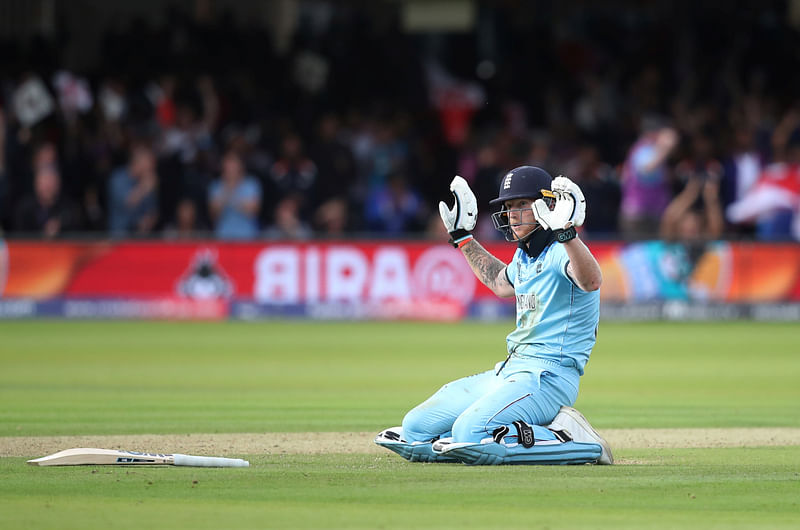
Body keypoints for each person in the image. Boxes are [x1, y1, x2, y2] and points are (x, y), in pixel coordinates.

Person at [375, 166, 613, 465]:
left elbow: (591, 281)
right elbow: (500, 282)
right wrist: (463, 238)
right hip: (510, 371)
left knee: (469, 432)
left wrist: (567, 234)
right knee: (415, 428)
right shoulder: (525, 255)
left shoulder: (560, 251)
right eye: (509, 207)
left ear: (547, 206)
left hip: (549, 377)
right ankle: (480, 440)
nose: (513, 214)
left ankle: (573, 438)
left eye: (522, 205)